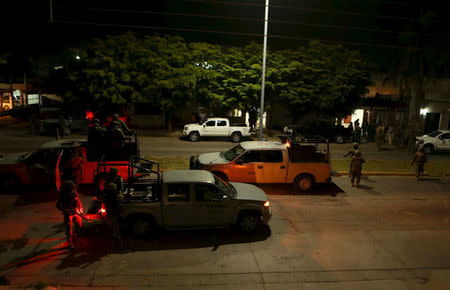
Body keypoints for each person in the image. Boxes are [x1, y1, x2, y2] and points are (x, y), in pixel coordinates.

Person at [56, 180, 83, 249]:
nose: (73, 188)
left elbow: (77, 200)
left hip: (75, 211)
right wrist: (64, 209)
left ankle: (74, 234)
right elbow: (58, 205)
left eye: (73, 187)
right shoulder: (63, 195)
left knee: (78, 224)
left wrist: (80, 207)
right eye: (72, 187)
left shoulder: (74, 192)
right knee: (68, 227)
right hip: (68, 213)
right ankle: (70, 242)